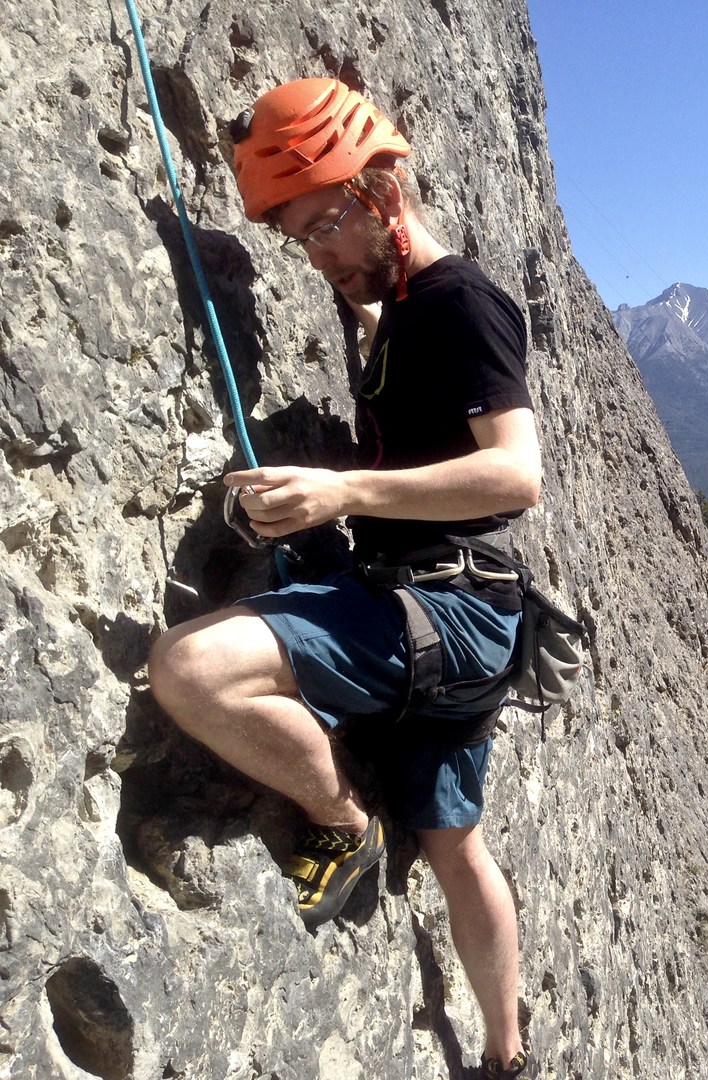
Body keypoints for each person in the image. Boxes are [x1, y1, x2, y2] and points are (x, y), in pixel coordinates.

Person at [148, 78, 537, 1079]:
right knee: (455, 847)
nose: (316, 254)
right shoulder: (393, 304)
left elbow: (515, 475)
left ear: (385, 190)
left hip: (443, 607)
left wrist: (339, 494)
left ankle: (340, 821)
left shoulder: (460, 303)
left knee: (191, 669)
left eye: (324, 226)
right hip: (457, 619)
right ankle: (508, 1056)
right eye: (300, 239)